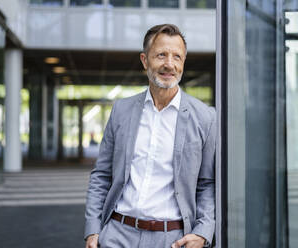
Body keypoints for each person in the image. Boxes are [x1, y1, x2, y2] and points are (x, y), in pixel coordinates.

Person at [84, 24, 216, 248]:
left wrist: (203, 232)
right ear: (145, 60)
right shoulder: (121, 111)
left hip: (172, 239)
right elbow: (102, 175)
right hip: (117, 234)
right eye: (161, 55)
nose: (169, 64)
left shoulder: (205, 117)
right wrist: (93, 230)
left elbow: (207, 184)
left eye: (177, 57)